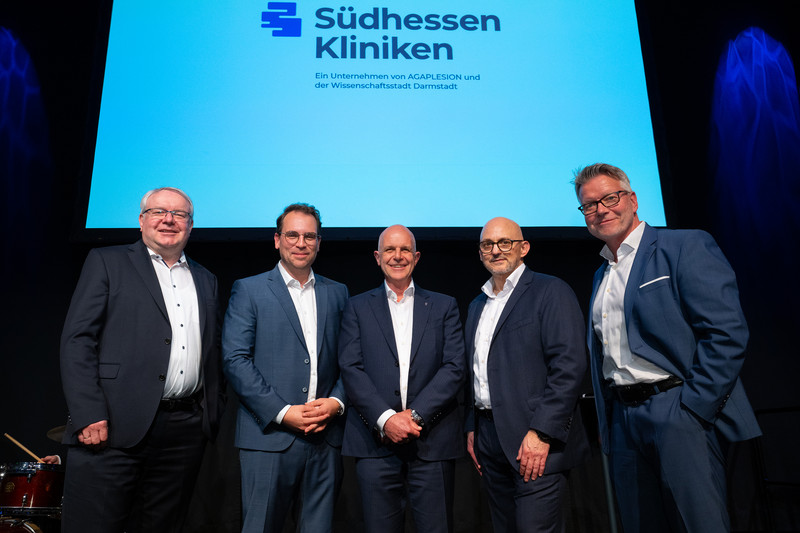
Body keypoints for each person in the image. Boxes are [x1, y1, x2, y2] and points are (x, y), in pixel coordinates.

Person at [573, 163, 761, 532]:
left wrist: (693, 407)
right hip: (623, 418)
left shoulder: (684, 245)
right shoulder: (602, 274)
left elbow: (726, 332)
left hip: (676, 408)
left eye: (610, 198)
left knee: (700, 524)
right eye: (590, 205)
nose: (601, 210)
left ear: (632, 200)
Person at [60, 187, 224, 533]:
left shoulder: (206, 278)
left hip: (183, 433)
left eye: (179, 214)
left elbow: (212, 351)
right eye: (158, 211)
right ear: (141, 220)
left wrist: (209, 412)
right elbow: (78, 341)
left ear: (190, 225)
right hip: (112, 426)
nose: (169, 219)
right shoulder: (107, 261)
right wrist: (88, 412)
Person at [222, 203, 349, 533]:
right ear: (277, 240)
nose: (301, 243)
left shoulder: (338, 293)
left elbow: (350, 359)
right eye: (292, 235)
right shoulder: (249, 290)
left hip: (325, 438)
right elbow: (235, 359)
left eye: (309, 236)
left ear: (319, 242)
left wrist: (336, 403)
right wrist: (282, 412)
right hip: (269, 437)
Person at [464, 217, 589, 533]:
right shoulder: (477, 305)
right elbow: (474, 372)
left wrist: (542, 432)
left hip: (534, 440)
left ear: (524, 248)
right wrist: (472, 426)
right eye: (487, 244)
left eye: (505, 242)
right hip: (488, 439)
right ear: (480, 252)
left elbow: (569, 366)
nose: (496, 250)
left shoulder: (551, 291)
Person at [338, 225, 466, 533]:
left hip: (433, 442)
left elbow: (454, 367)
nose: (398, 256)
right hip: (374, 444)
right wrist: (386, 420)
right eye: (390, 250)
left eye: (405, 249)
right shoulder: (356, 307)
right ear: (377, 257)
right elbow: (351, 367)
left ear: (416, 257)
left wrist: (414, 417)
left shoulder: (444, 305)